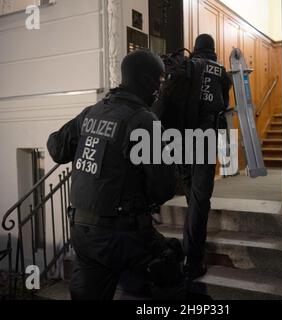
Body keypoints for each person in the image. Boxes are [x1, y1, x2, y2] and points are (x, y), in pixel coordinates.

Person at [47, 50, 182, 300]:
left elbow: (56, 148)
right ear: (145, 81)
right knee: (170, 262)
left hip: (82, 232)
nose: (160, 88)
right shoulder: (145, 121)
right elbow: (163, 188)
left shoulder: (91, 112)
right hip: (122, 236)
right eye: (159, 81)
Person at [181, 34, 232, 280]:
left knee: (192, 195)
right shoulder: (221, 71)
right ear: (212, 48)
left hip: (177, 137)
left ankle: (187, 246)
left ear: (195, 48)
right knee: (201, 199)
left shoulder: (187, 66)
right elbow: (224, 104)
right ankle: (192, 259)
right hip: (204, 136)